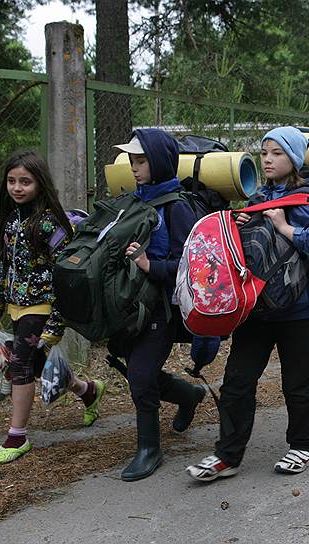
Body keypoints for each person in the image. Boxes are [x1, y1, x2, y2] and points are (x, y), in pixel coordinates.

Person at [186, 127, 309, 483]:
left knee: (296, 382)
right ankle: (227, 455)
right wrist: (242, 225)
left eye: (277, 153)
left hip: (299, 311)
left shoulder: (305, 202)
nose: (268, 159)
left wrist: (286, 228)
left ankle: (303, 445)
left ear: (295, 160)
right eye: (265, 152)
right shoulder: (256, 198)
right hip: (256, 308)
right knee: (237, 381)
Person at [0, 151, 105, 465]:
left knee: (21, 365)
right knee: (35, 364)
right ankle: (87, 391)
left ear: (40, 184)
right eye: (11, 181)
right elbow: (3, 267)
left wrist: (54, 326)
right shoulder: (10, 220)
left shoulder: (50, 224)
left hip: (41, 307)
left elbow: (65, 276)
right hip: (13, 305)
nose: (17, 187)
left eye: (26, 181)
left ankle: (17, 436)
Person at [108, 128, 205, 482]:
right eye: (132, 160)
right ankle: (189, 395)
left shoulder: (177, 207)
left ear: (160, 161)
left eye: (142, 159)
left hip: (163, 307)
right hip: (134, 304)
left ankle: (149, 448)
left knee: (140, 374)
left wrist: (151, 266)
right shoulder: (137, 200)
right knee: (136, 368)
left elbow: (192, 263)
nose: (134, 167)